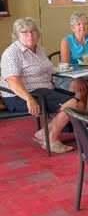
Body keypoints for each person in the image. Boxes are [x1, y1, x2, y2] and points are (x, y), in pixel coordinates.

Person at [0, 17, 81, 153]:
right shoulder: (12, 53)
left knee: (79, 97)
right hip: (20, 95)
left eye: (33, 31)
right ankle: (52, 139)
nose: (30, 35)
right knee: (71, 104)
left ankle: (43, 133)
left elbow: (48, 70)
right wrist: (29, 99)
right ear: (16, 36)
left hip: (43, 89)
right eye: (24, 32)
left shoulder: (39, 49)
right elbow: (12, 81)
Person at [57, 11, 88, 110]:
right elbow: (65, 65)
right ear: (73, 28)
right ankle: (77, 116)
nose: (82, 26)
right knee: (81, 88)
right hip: (70, 75)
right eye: (78, 24)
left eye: (85, 24)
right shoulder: (66, 41)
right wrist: (77, 78)